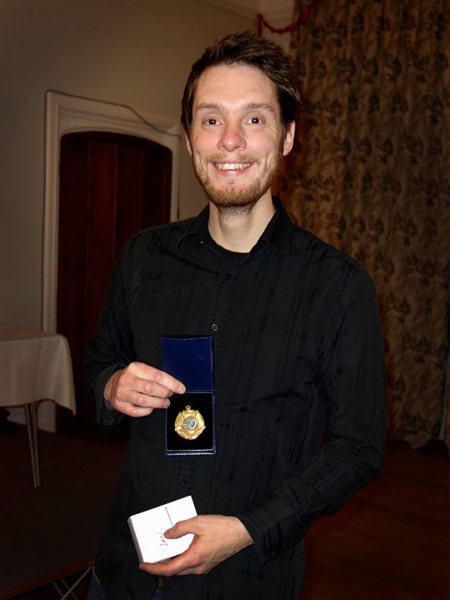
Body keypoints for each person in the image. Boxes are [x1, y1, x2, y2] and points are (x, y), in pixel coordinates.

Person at [85, 31, 385, 600]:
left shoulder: (338, 287)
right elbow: (99, 359)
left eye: (254, 119)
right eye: (210, 119)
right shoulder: (142, 257)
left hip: (246, 580)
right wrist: (111, 384)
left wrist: (249, 530)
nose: (230, 142)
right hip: (124, 570)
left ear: (288, 136)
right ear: (191, 136)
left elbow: (358, 449)